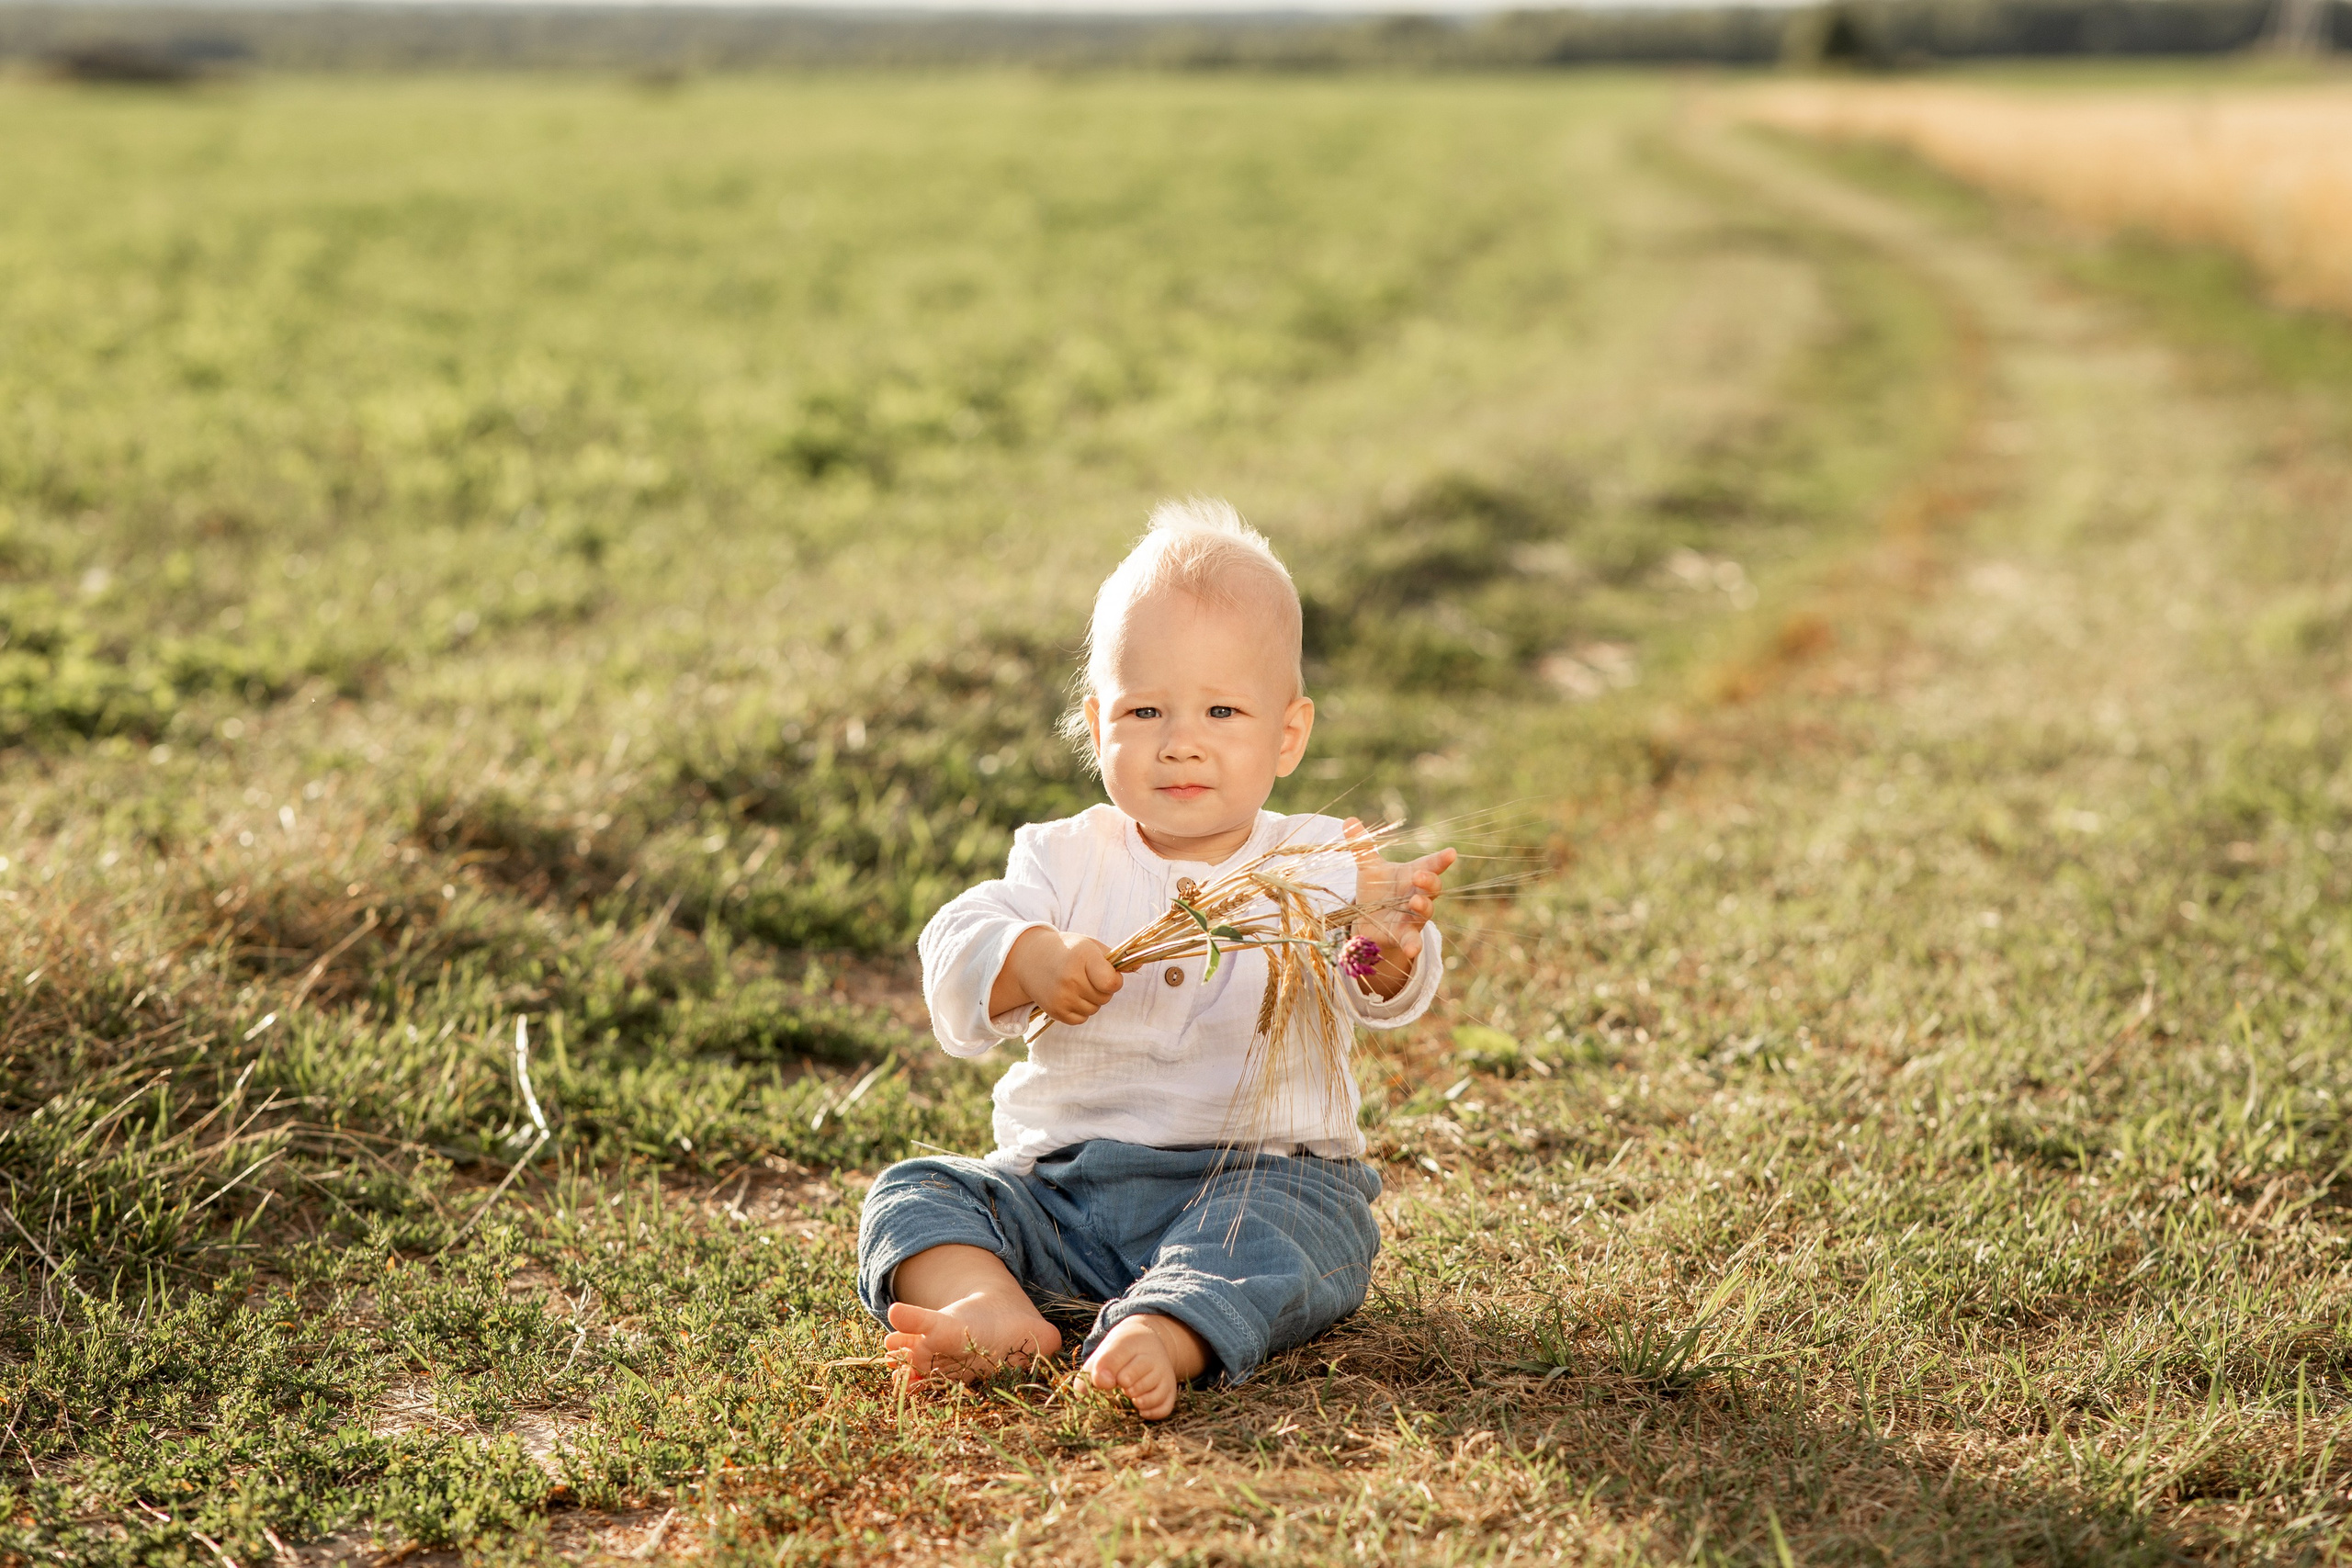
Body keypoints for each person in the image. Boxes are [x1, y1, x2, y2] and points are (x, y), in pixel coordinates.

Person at [855, 498, 1454, 1419]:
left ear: (1286, 734)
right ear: (1097, 726)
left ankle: (1167, 1330)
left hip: (1260, 1181)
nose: (1180, 739)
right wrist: (1030, 960)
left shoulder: (1318, 861)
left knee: (1310, 1236)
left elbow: (1379, 985)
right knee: (917, 1193)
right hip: (1063, 1199)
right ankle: (992, 1306)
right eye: (1144, 709)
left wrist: (1384, 946)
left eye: (1221, 708)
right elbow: (955, 943)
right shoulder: (1063, 858)